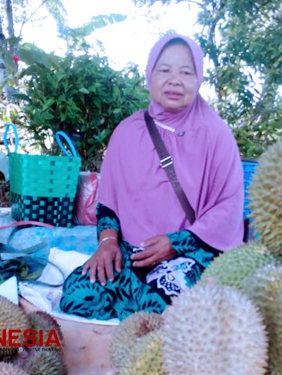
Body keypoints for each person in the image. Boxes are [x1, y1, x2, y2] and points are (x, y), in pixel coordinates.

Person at [59, 33, 245, 320]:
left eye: (186, 72)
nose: (174, 80)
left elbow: (228, 208)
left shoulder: (216, 135)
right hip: (132, 253)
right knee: (77, 296)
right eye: (165, 70)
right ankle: (131, 307)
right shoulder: (127, 132)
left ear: (198, 80)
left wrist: (176, 243)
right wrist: (107, 243)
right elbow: (108, 202)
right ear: (150, 75)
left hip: (189, 252)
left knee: (157, 309)